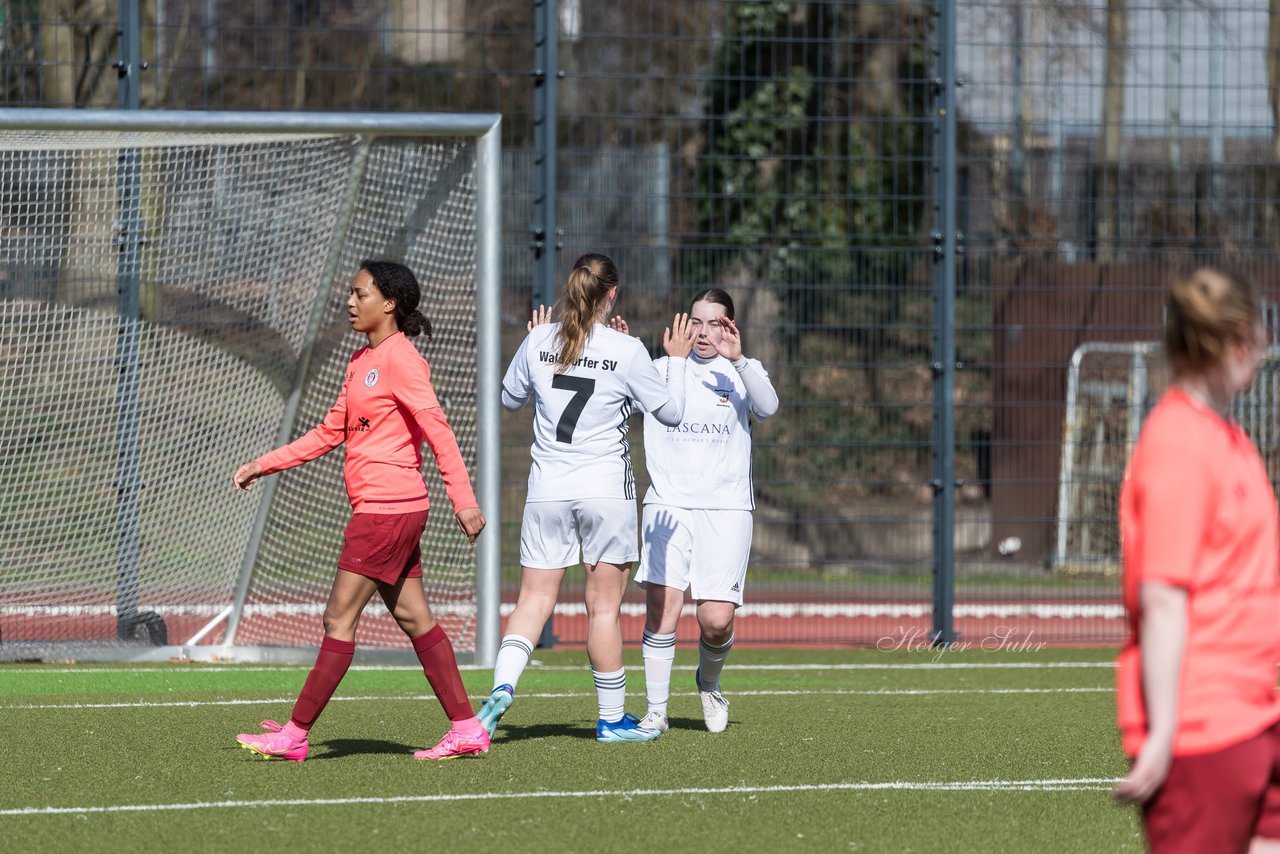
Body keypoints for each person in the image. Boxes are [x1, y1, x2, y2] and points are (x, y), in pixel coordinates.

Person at [231, 259, 489, 762]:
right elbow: (330, 432)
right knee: (415, 619)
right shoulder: (359, 362)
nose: (350, 302)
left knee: (338, 617)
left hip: (387, 511)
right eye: (350, 294)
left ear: (389, 303)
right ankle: (466, 727)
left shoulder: (402, 360)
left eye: (360, 294)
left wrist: (465, 500)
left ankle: (296, 733)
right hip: (392, 510)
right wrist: (263, 464)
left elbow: (438, 430)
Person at [478, 253, 693, 743]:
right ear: (611, 294)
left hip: (546, 492)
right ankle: (612, 720)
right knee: (602, 610)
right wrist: (675, 362)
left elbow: (510, 398)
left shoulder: (538, 338)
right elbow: (672, 412)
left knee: (533, 599)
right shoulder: (627, 349)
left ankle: (503, 687)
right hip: (604, 492)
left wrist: (535, 338)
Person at [1113, 268, 1280, 851]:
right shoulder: (1178, 447)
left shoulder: (1231, 441)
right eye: (1263, 338)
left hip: (1259, 710)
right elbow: (1162, 599)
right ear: (1240, 338)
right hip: (1203, 727)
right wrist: (1161, 734)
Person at [608, 289, 779, 736]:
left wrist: (740, 360)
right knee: (662, 607)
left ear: (731, 327)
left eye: (715, 324)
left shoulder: (743, 371)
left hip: (726, 509)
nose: (703, 333)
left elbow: (768, 407)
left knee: (716, 620)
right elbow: (611, 400)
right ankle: (656, 712)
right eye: (696, 322)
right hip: (668, 504)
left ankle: (708, 682)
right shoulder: (660, 369)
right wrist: (618, 350)